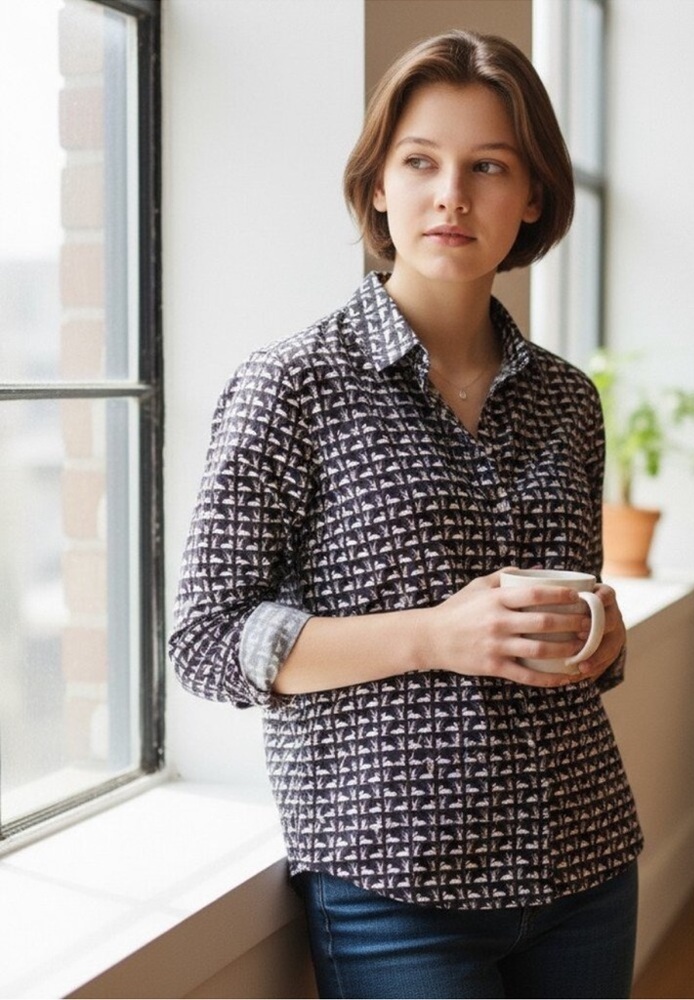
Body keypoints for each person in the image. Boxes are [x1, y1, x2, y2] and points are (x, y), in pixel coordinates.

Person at [170, 28, 643, 1000]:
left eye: (488, 167)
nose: (451, 195)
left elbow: (575, 612)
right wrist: (434, 635)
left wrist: (603, 638)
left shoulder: (567, 398)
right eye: (421, 162)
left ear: (533, 196)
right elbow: (206, 641)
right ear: (379, 186)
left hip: (585, 857)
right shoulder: (291, 386)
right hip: (394, 883)